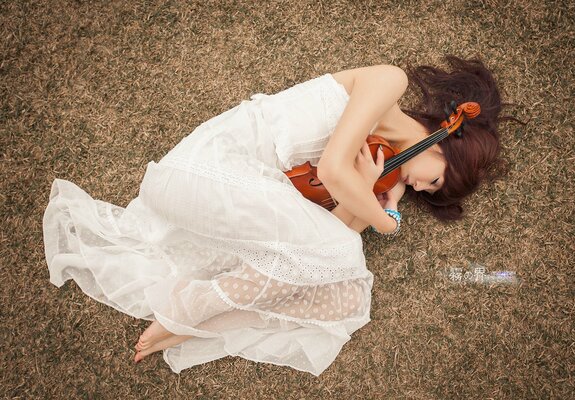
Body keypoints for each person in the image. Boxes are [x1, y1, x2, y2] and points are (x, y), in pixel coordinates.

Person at [43, 56, 519, 376]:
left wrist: (385, 195)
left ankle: (199, 311)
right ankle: (188, 311)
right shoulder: (388, 81)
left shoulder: (378, 169)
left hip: (224, 197)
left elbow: (334, 234)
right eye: (433, 181)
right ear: (447, 142)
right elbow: (332, 169)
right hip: (203, 173)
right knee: (340, 254)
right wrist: (384, 219)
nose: (417, 186)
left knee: (342, 290)